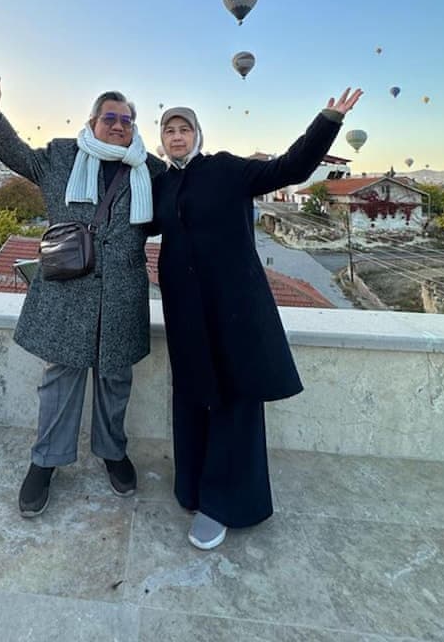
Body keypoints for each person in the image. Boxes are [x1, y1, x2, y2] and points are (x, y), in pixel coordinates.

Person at [152, 87, 363, 550]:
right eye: (169, 130)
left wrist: (328, 121)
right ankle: (193, 486)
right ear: (161, 140)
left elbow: (290, 168)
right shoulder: (162, 183)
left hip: (234, 308)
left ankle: (224, 504)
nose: (177, 136)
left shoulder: (227, 169)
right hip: (185, 311)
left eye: (185, 128)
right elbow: (133, 223)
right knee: (192, 394)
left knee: (234, 397)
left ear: (198, 135)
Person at [0, 67, 165, 516]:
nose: (119, 125)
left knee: (115, 378)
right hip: (68, 291)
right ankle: (45, 462)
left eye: (127, 120)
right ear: (92, 121)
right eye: (110, 117)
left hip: (122, 293)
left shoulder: (150, 170)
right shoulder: (61, 156)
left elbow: (176, 208)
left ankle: (113, 452)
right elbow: (18, 156)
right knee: (61, 377)